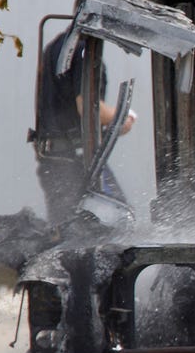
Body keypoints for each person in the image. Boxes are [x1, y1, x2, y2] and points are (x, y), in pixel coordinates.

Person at [32, 25, 135, 225]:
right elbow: (88, 107)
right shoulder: (83, 52)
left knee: (67, 226)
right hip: (76, 159)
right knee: (116, 220)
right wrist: (120, 118)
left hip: (54, 157)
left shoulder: (57, 47)